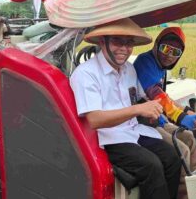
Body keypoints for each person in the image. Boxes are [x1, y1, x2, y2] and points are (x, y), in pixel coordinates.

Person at [70, 18, 181, 199]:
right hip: (108, 138)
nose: (124, 48)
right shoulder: (86, 74)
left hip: (132, 131)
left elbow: (142, 97)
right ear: (102, 42)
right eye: (117, 41)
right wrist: (138, 110)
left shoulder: (128, 68)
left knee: (172, 157)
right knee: (151, 165)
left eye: (129, 43)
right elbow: (94, 120)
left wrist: (163, 112)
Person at [133, 27, 196, 198]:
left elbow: (166, 97)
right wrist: (180, 116)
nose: (169, 55)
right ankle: (181, 195)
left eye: (175, 52)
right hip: (141, 122)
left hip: (157, 120)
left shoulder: (160, 67)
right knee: (182, 150)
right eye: (165, 48)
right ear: (156, 45)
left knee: (190, 139)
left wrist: (185, 110)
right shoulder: (145, 62)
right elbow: (155, 94)